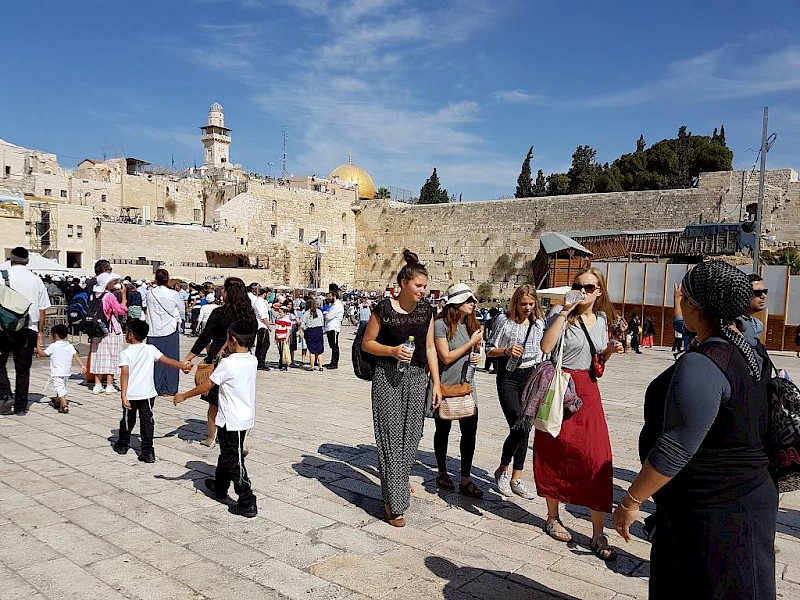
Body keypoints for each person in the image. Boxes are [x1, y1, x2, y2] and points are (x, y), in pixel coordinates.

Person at [614, 260, 776, 598]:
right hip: (743, 496)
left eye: (684, 298)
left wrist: (631, 501)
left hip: (712, 509)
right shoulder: (750, 351)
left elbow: (675, 447)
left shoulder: (704, 362)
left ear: (695, 306)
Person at [538, 267, 623, 561]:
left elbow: (596, 357)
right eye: (578, 286)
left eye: (589, 287)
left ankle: (598, 531)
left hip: (587, 390)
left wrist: (610, 350)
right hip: (561, 387)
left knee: (597, 458)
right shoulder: (560, 315)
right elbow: (545, 347)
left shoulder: (600, 320)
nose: (583, 291)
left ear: (599, 291)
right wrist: (563, 311)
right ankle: (552, 516)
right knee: (554, 449)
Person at [362, 249, 442, 527]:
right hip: (387, 376)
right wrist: (392, 350)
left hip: (418, 378)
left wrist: (437, 384)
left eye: (425, 286)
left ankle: (396, 485)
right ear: (404, 284)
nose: (423, 291)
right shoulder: (383, 309)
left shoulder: (426, 311)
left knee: (411, 437)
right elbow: (367, 343)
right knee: (390, 437)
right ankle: (393, 504)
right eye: (419, 286)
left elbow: (430, 348)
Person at [175, 320, 259, 518]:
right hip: (241, 416)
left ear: (232, 340)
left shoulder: (228, 364)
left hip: (233, 419)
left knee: (235, 460)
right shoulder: (252, 360)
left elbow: (207, 386)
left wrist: (184, 395)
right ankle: (220, 487)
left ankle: (247, 500)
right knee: (227, 453)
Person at [485, 284, 545, 499]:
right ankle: (502, 470)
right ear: (515, 304)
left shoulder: (539, 323)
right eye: (523, 304)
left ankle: (516, 477)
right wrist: (507, 350)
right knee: (518, 425)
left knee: (526, 428)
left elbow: (543, 352)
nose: (527, 308)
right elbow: (489, 349)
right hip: (509, 377)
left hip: (530, 376)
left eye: (531, 304)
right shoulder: (505, 322)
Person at [184, 277, 257, 447]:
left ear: (229, 292)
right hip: (242, 360)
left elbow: (205, 337)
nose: (221, 292)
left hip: (220, 360)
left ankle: (211, 437)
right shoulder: (249, 314)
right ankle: (241, 438)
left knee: (214, 402)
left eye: (224, 289)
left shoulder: (219, 313)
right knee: (239, 398)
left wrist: (189, 358)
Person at [432, 283, 484, 499]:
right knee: (443, 430)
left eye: (473, 300)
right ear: (456, 303)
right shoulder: (440, 325)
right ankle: (442, 472)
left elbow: (477, 352)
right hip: (445, 384)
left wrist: (478, 352)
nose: (473, 303)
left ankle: (465, 478)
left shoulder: (472, 325)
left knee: (469, 433)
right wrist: (471, 342)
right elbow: (445, 357)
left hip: (467, 386)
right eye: (468, 300)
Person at [114, 320, 190, 462]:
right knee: (147, 422)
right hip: (148, 394)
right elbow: (166, 360)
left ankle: (123, 445)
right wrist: (182, 366)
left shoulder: (126, 353)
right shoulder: (151, 349)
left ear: (130, 335)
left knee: (127, 421)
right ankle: (148, 451)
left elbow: (125, 374)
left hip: (131, 394)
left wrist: (123, 395)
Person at [0, 247, 52, 416]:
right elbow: (43, 309)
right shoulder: (35, 280)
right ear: (27, 260)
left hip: (3, 327)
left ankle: (5, 395)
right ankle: (21, 406)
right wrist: (40, 331)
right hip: (28, 327)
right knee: (23, 368)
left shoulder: (1, 275)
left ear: (11, 259)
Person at [146, 269, 184, 396]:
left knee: (156, 361)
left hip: (154, 330)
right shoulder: (173, 294)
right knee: (171, 360)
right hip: (170, 328)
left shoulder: (150, 293)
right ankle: (170, 388)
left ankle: (156, 386)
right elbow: (181, 310)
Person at [89, 272, 128, 394]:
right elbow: (121, 310)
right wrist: (124, 297)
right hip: (109, 328)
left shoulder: (93, 295)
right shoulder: (109, 296)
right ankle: (109, 385)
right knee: (112, 356)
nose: (115, 283)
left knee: (98, 356)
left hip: (96, 329)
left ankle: (97, 384)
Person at [35, 323, 85, 414]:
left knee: (59, 387)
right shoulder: (69, 345)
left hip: (57, 372)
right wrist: (82, 365)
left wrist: (38, 346)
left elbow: (42, 354)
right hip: (66, 371)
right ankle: (58, 400)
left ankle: (64, 405)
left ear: (54, 335)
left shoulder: (54, 346)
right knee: (62, 387)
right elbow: (76, 355)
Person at [83, 259, 113, 387]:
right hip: (99, 320)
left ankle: (96, 374)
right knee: (98, 350)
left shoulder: (91, 283)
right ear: (104, 271)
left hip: (93, 319)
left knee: (97, 349)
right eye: (110, 270)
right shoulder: (96, 284)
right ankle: (94, 374)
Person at [737, 273, 767, 347]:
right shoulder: (730, 322)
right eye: (758, 293)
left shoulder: (757, 325)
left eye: (765, 291)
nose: (764, 296)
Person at [249, 284, 272, 371]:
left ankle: (259, 362)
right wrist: (268, 326)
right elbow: (263, 316)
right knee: (264, 344)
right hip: (262, 325)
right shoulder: (259, 302)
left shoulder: (261, 302)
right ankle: (261, 362)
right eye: (269, 294)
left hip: (262, 325)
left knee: (261, 344)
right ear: (265, 293)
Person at [301, 298, 325, 371]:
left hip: (310, 331)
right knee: (319, 350)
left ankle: (312, 366)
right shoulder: (319, 312)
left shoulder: (306, 313)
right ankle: (320, 366)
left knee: (312, 350)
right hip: (318, 330)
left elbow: (302, 324)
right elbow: (322, 322)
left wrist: (304, 329)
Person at [323, 288, 344, 369]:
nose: (328, 298)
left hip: (333, 328)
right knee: (332, 346)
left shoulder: (337, 306)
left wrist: (325, 314)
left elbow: (328, 316)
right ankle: (332, 362)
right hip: (330, 327)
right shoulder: (332, 305)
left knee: (334, 346)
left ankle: (334, 363)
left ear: (334, 296)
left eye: (330, 296)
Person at [274, 304, 292, 371]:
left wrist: (287, 338)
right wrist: (275, 338)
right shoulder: (278, 320)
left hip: (284, 337)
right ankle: (281, 362)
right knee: (280, 351)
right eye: (279, 312)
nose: (279, 313)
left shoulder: (287, 320)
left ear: (284, 313)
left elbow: (288, 330)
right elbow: (276, 329)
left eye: (281, 312)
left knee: (284, 351)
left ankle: (284, 364)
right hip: (278, 337)